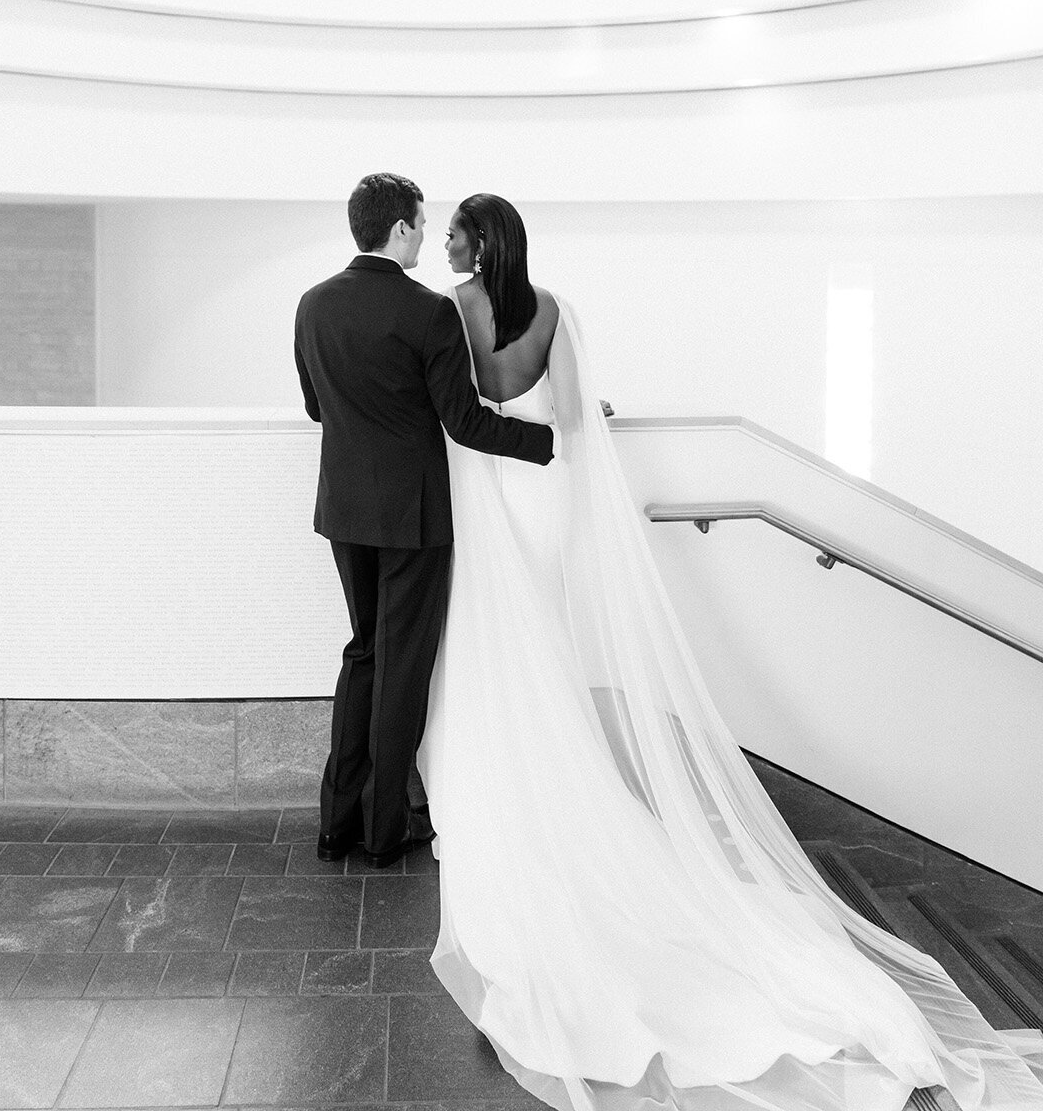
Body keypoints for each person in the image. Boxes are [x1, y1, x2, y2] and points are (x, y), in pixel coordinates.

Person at [418, 192, 1043, 1111]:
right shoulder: (554, 310)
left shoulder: (452, 309)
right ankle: (559, 765)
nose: (446, 239)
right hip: (545, 495)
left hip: (493, 492)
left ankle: (516, 777)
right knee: (543, 640)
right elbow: (582, 416)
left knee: (499, 648)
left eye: (456, 230)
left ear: (482, 239)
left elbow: (453, 413)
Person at [293, 172, 554, 870]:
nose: (425, 237)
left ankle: (334, 823)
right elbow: (465, 423)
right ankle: (383, 831)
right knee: (401, 665)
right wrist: (548, 441)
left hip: (343, 511)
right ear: (402, 227)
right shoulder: (426, 312)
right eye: (421, 223)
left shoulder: (312, 305)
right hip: (411, 517)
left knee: (363, 653)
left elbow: (318, 408)